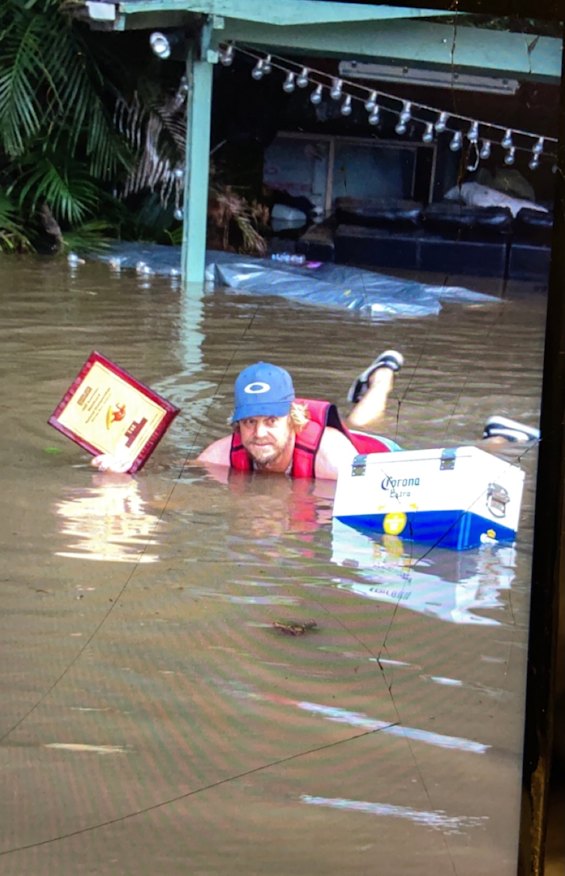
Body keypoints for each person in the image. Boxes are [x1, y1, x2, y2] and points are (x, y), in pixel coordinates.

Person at [92, 352, 540, 479]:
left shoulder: (331, 461)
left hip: (375, 457)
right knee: (363, 414)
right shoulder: (226, 452)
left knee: (444, 454)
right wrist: (121, 466)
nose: (259, 434)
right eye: (249, 422)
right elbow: (171, 470)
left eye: (269, 420)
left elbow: (404, 487)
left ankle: (500, 437)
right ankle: (380, 374)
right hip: (346, 438)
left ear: (291, 416)